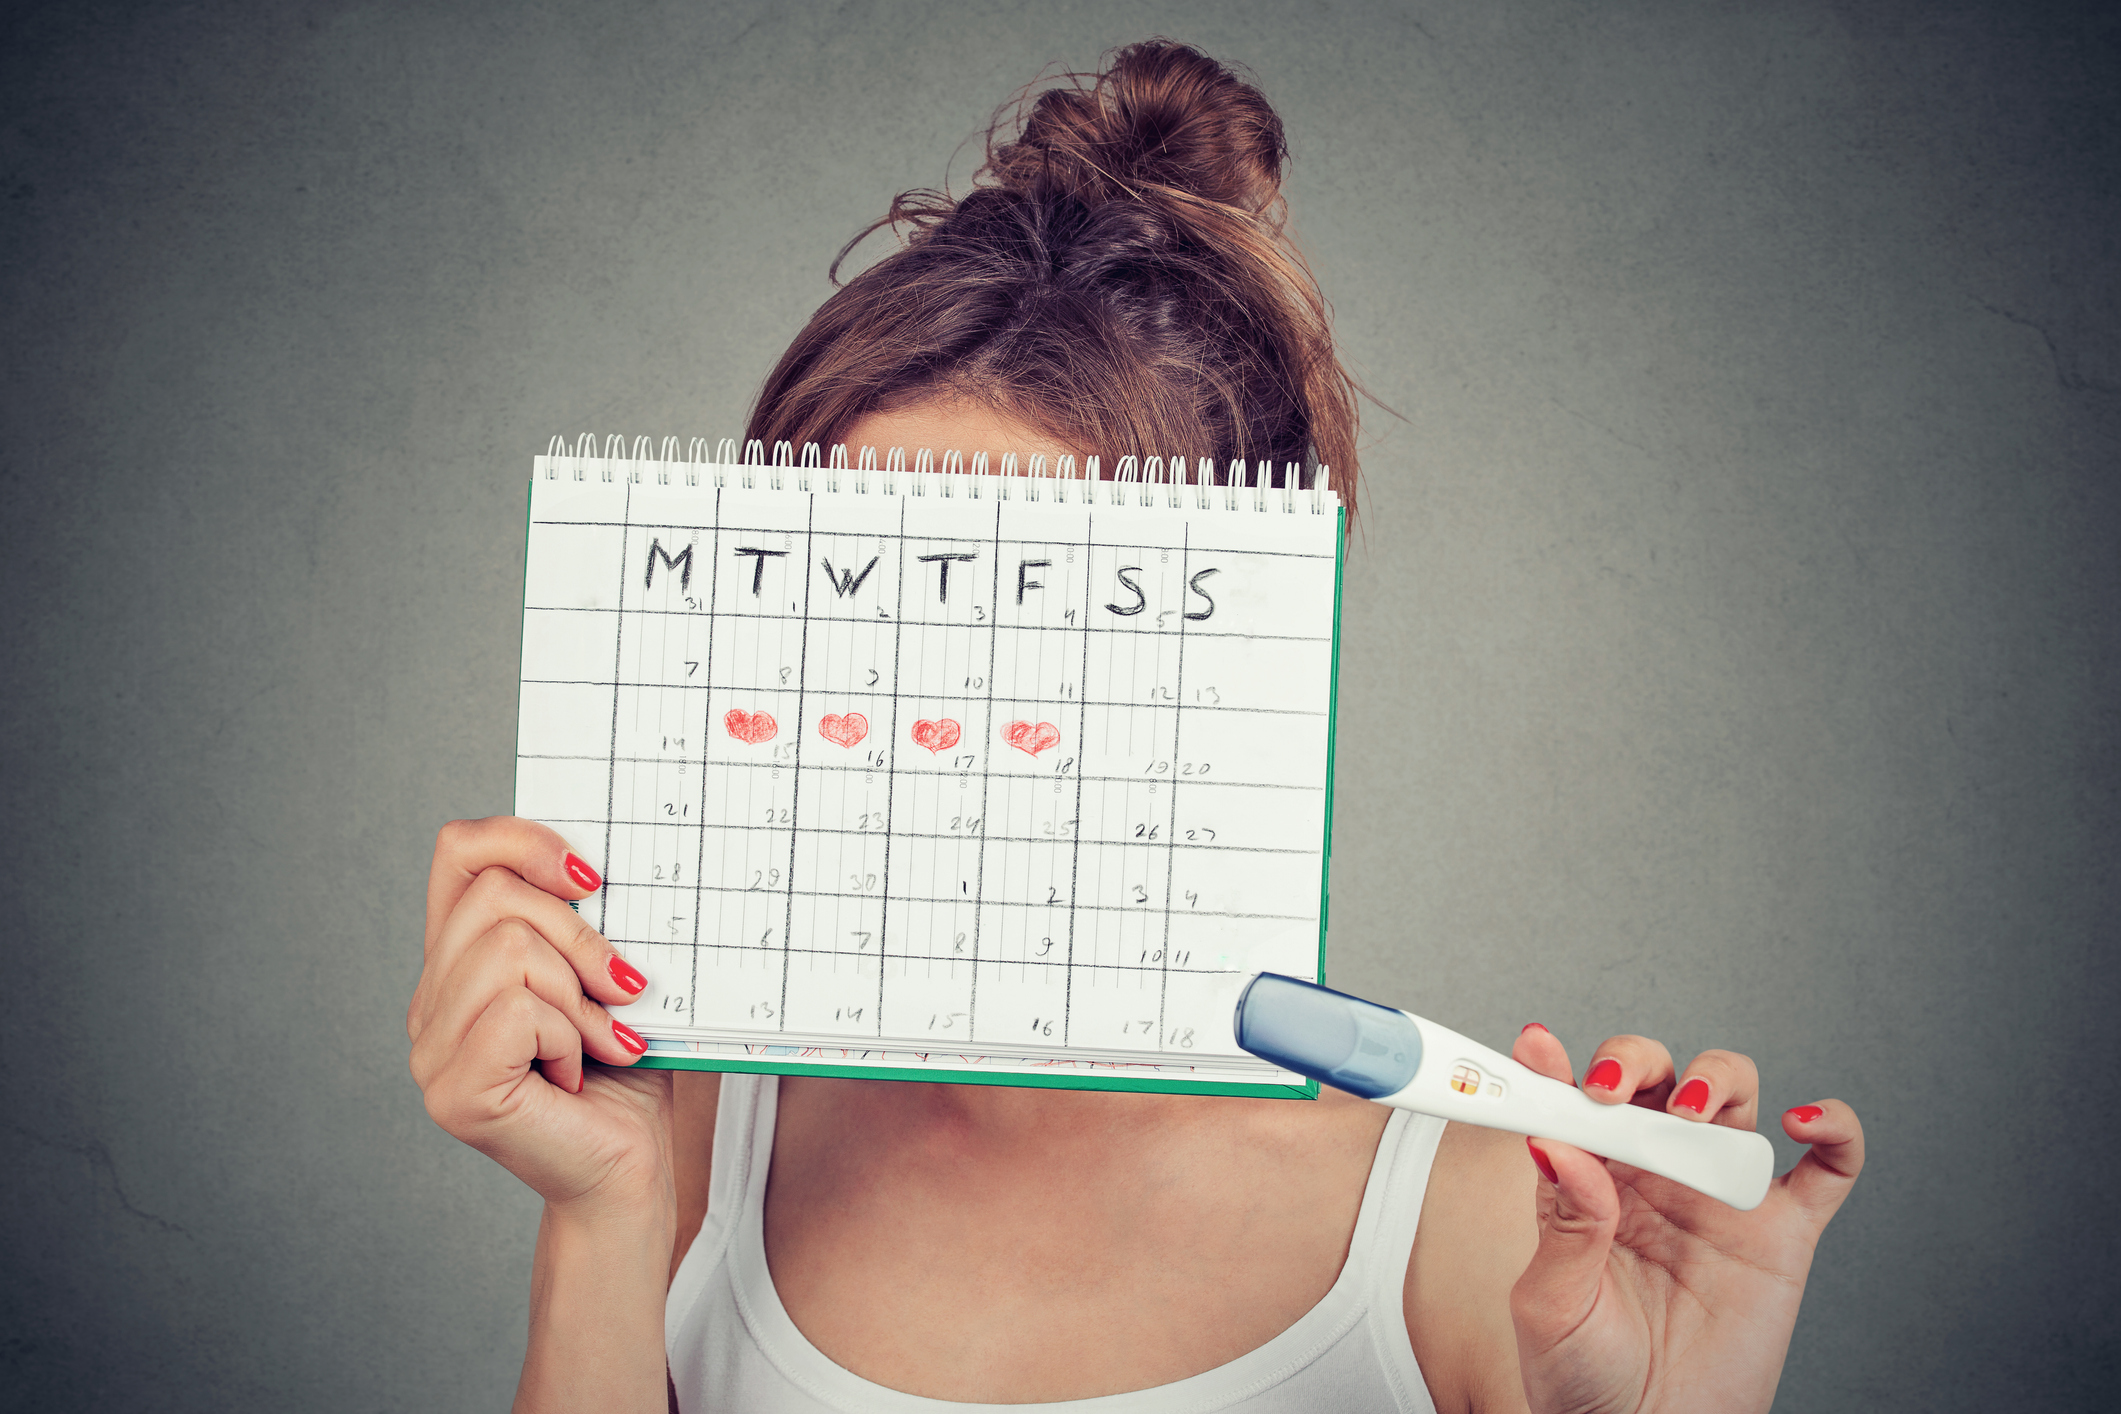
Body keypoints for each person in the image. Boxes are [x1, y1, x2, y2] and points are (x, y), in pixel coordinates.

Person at [406, 41, 1865, 1414]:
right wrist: (601, 1208)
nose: (919, 730)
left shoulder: (1499, 1218)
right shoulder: (689, 1136)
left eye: (1030, 640)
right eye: (850, 611)